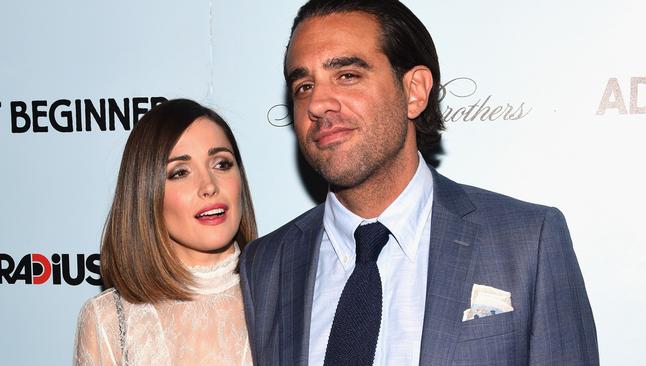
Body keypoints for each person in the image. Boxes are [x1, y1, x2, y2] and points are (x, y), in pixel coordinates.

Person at [240, 1, 598, 365]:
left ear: (414, 91)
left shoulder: (526, 242)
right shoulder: (266, 265)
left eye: (347, 75)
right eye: (303, 86)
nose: (317, 103)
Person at [74, 99, 257, 366]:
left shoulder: (288, 294)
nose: (208, 186)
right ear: (146, 193)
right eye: (179, 172)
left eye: (221, 164)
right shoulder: (109, 320)